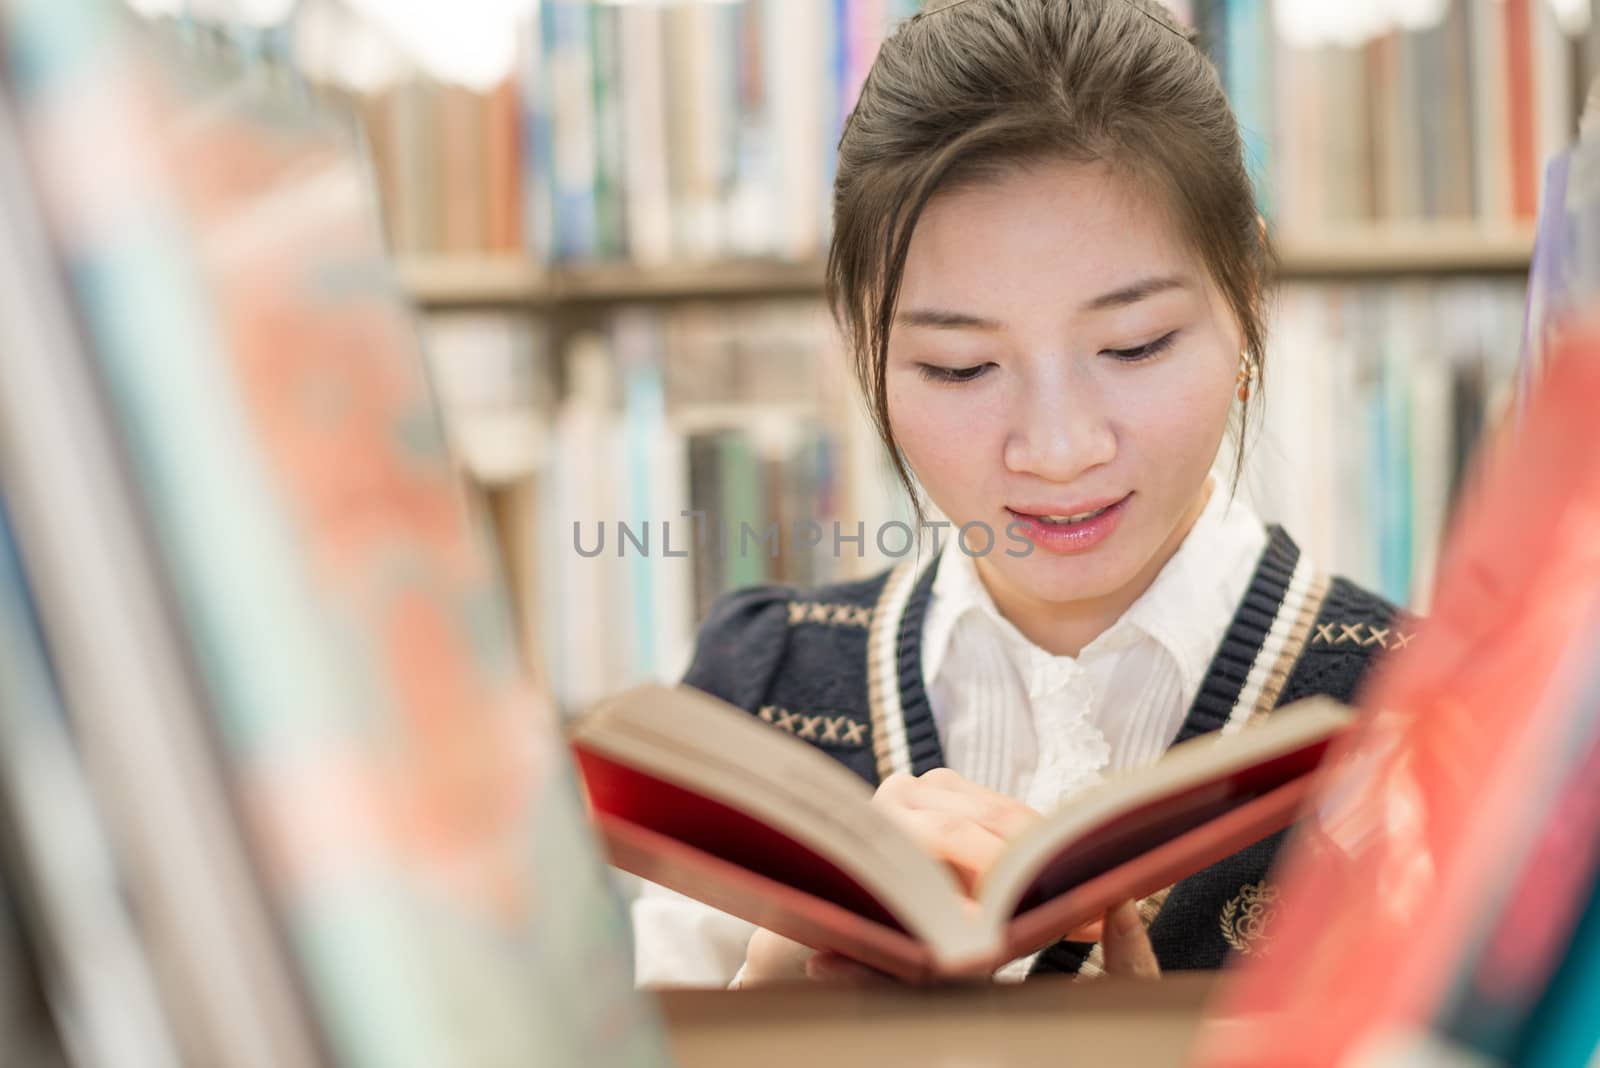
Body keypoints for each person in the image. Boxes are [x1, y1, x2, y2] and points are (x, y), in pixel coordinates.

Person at [632, 0, 1406, 988]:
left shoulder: (1421, 720)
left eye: (1133, 347)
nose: (1057, 449)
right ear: (862, 339)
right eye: (959, 367)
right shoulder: (756, 701)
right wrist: (769, 1025)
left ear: (1246, 294)